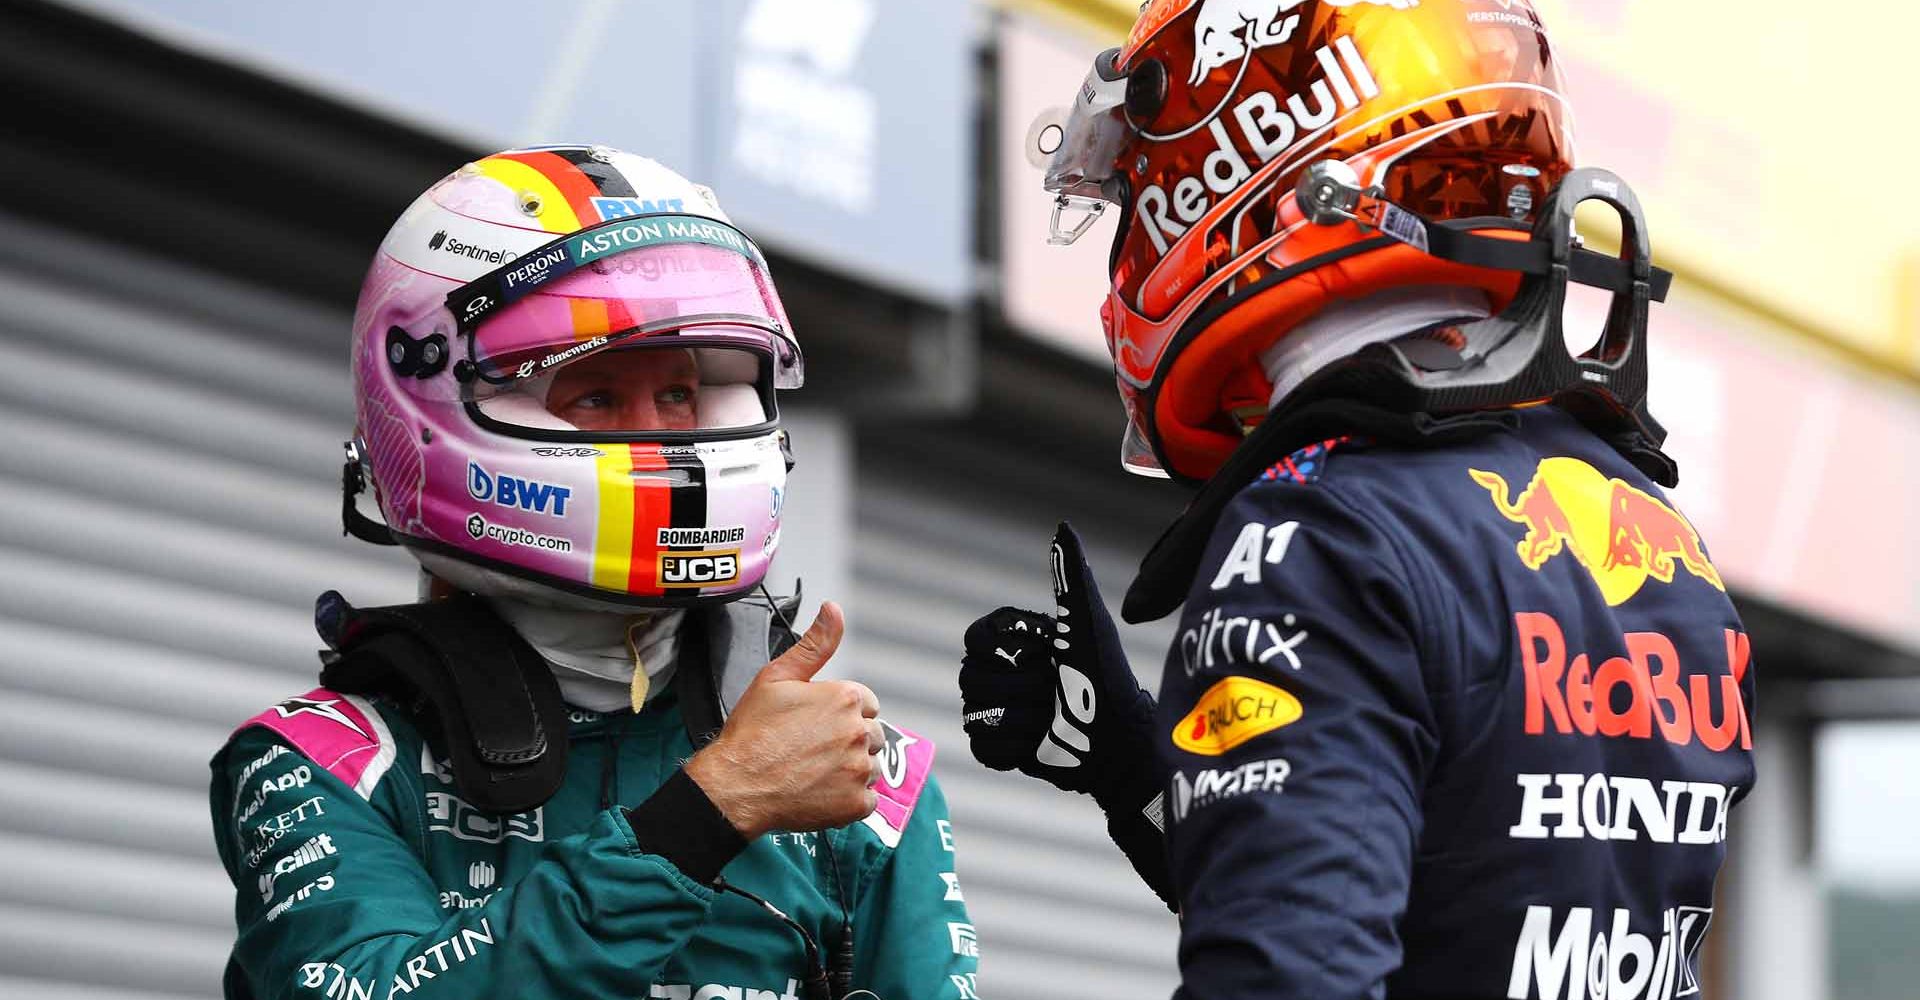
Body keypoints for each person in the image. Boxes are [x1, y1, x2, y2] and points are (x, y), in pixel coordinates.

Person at [958, 3, 1753, 998]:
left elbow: (1291, 976)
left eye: (1140, 186)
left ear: (1241, 159)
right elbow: (1468, 905)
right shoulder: (1656, 533)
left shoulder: (1319, 535)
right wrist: (1134, 770)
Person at [210, 145, 978, 1000]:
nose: (662, 438)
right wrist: (713, 807)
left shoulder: (863, 776)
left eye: (681, 396)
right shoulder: (323, 762)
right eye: (596, 395)